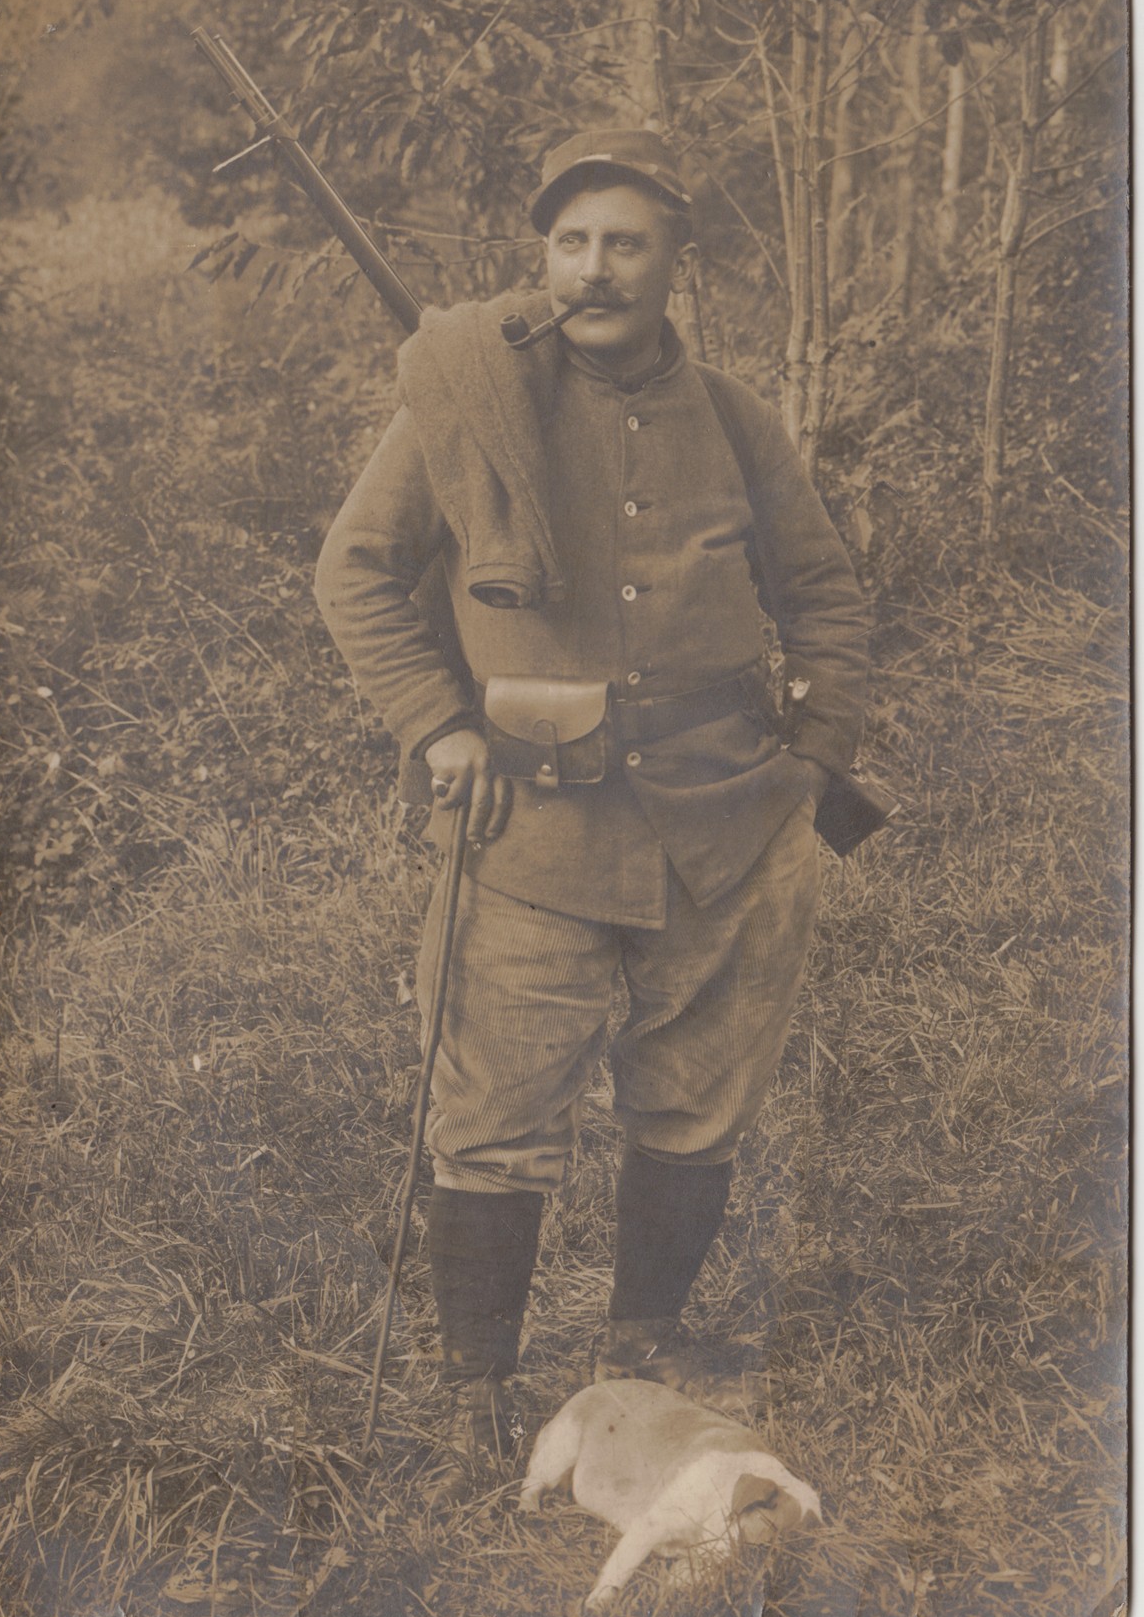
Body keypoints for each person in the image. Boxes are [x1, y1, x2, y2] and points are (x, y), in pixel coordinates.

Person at [315, 129, 871, 1502]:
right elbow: (357, 570)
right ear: (543, 255)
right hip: (530, 827)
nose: (594, 269)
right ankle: (476, 1386)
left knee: (693, 1103)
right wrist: (439, 726)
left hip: (722, 822)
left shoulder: (735, 418)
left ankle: (643, 1350)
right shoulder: (466, 400)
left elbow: (823, 591)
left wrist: (814, 752)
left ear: (678, 259)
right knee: (494, 1109)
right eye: (570, 241)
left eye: (626, 241)